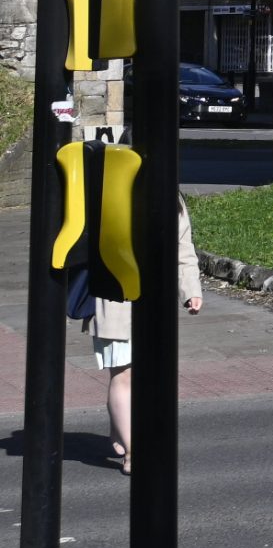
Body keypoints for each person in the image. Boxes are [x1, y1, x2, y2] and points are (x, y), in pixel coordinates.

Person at [89, 181, 203, 475]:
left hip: (154, 301)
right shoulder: (108, 189)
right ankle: (132, 452)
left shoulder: (170, 196)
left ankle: (121, 428)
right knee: (123, 374)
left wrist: (191, 290)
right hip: (115, 297)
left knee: (145, 375)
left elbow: (183, 246)